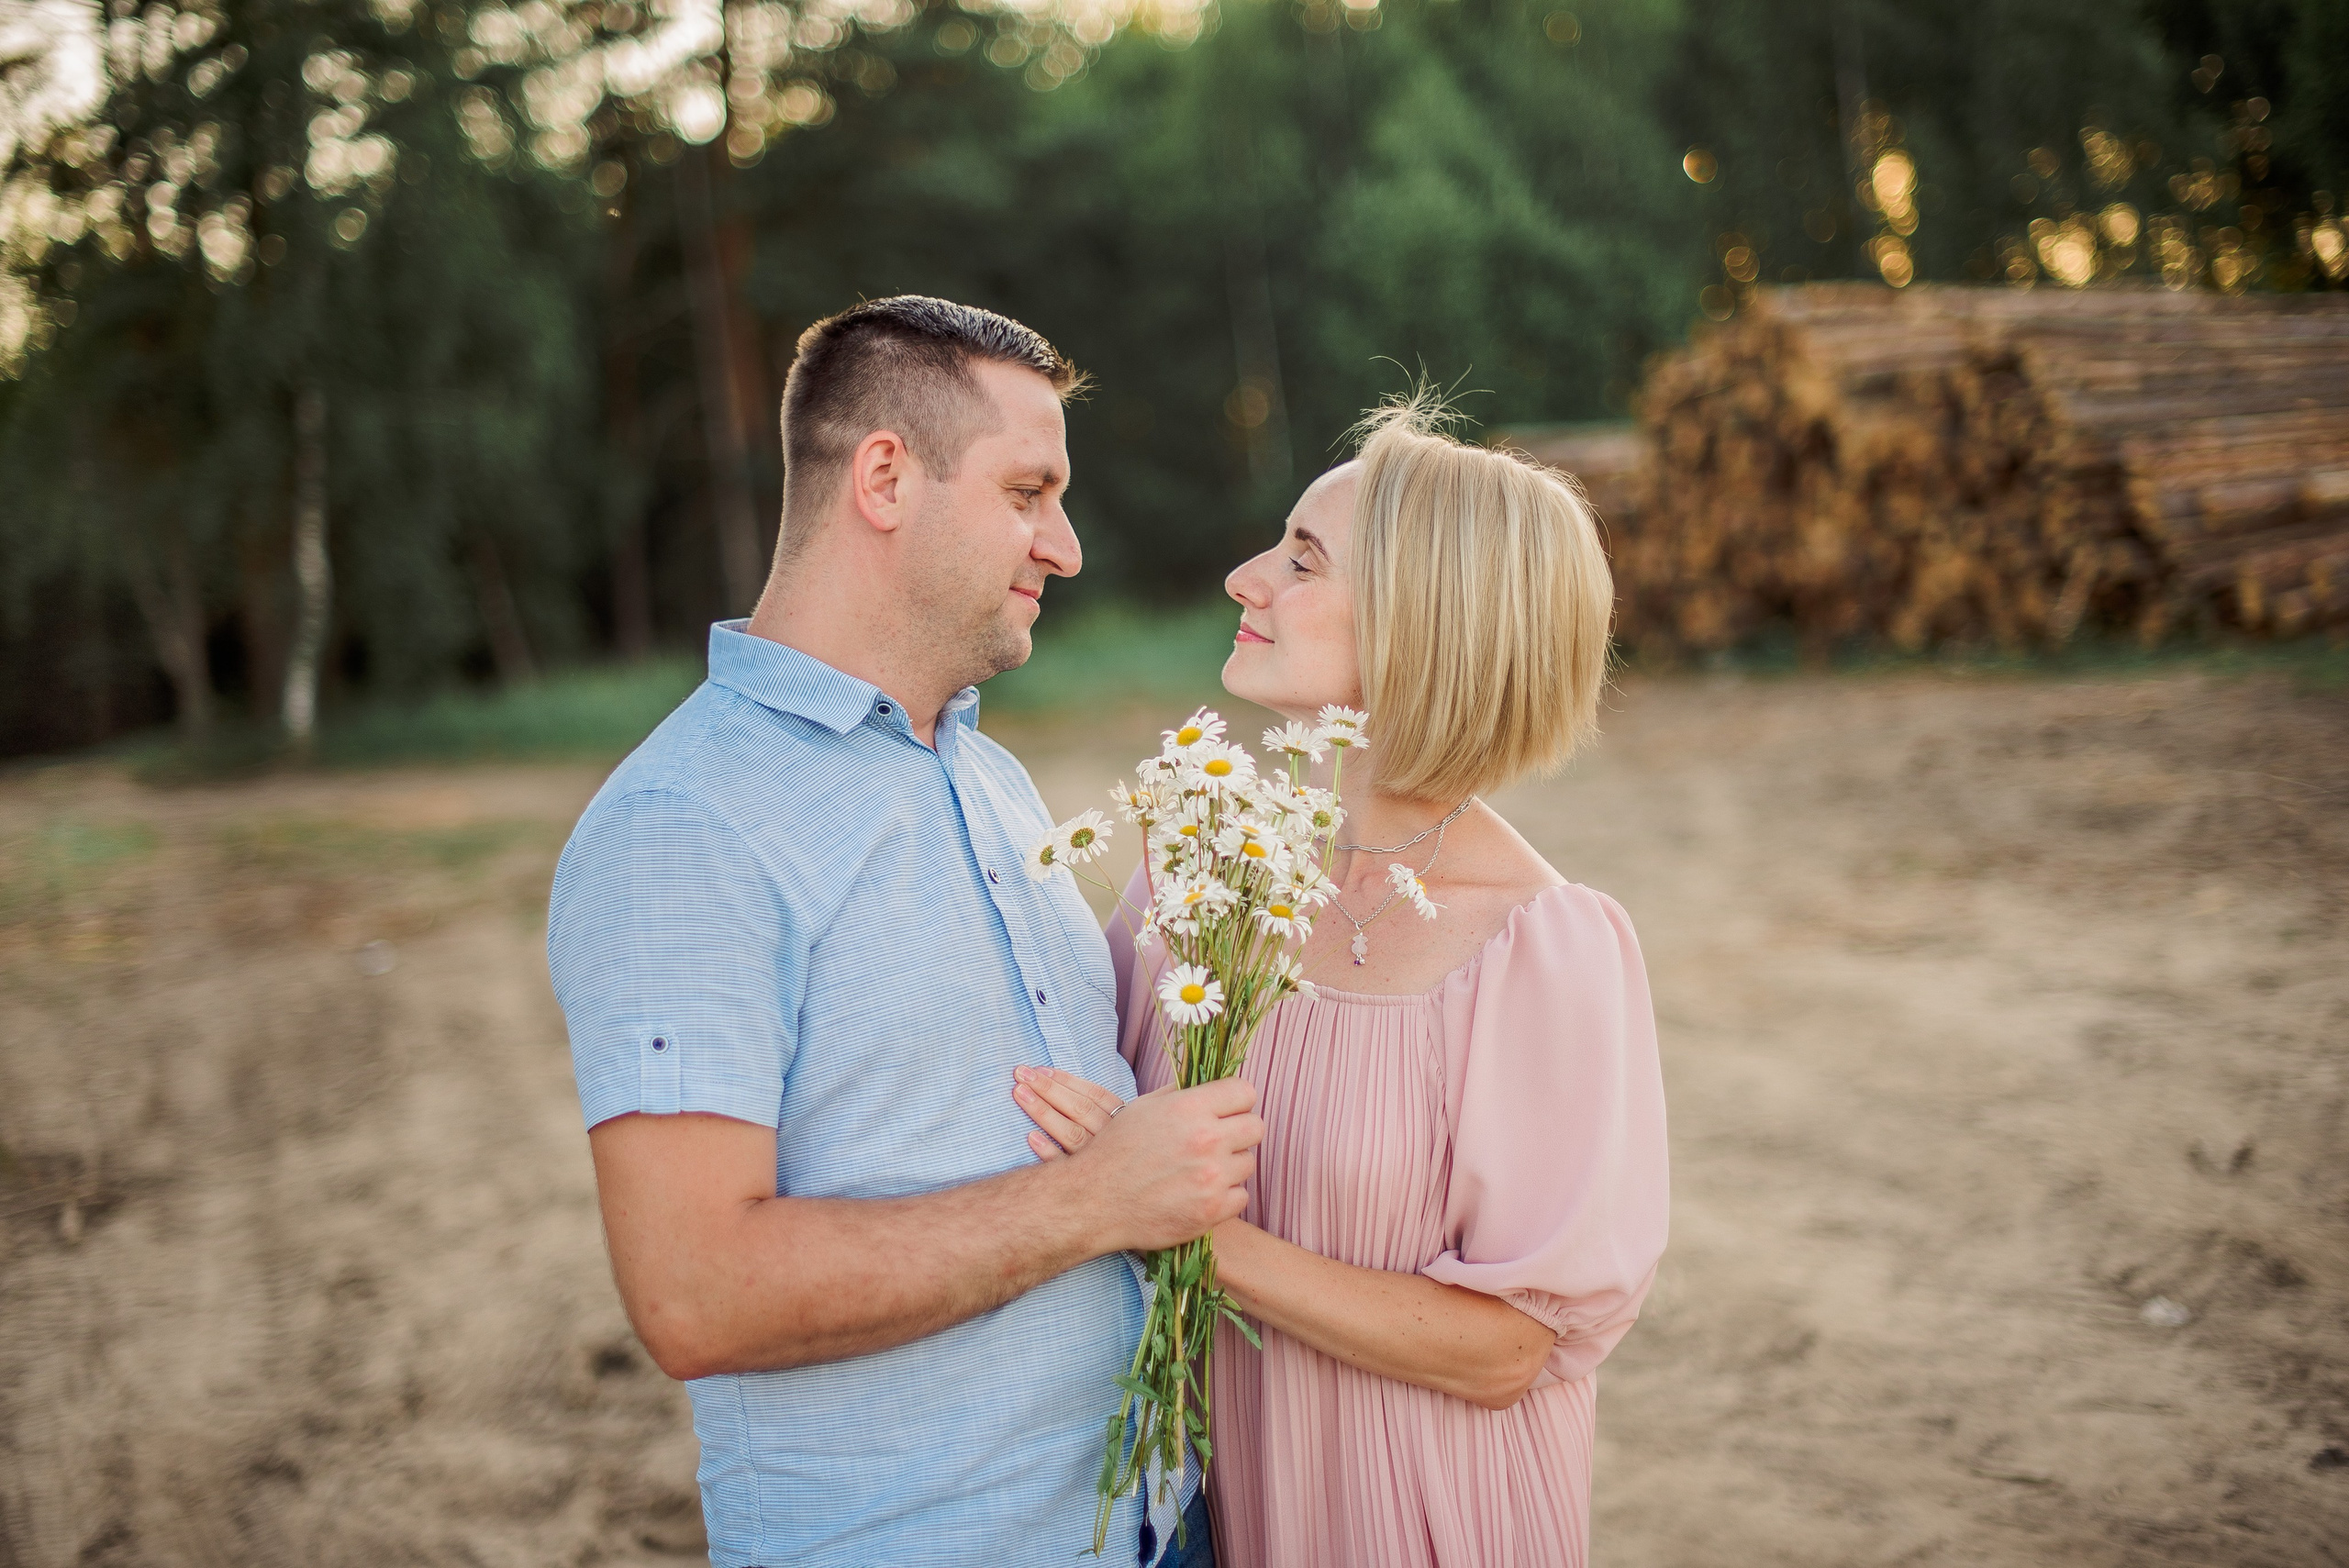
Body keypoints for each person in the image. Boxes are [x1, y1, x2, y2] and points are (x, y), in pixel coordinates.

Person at [547, 295, 1259, 1568]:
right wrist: (1092, 1202)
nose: (1068, 546)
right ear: (885, 476)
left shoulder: (985, 773)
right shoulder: (686, 824)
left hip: (1159, 1524)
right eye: (1030, 492)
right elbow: (694, 1292)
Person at [1013, 398, 1670, 1568]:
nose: (1242, 577)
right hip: (1206, 1512)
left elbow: (1504, 1348)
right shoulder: (1199, 872)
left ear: (1430, 621)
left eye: (1301, 558)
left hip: (1419, 1517)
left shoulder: (1540, 949)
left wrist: (1187, 1235)